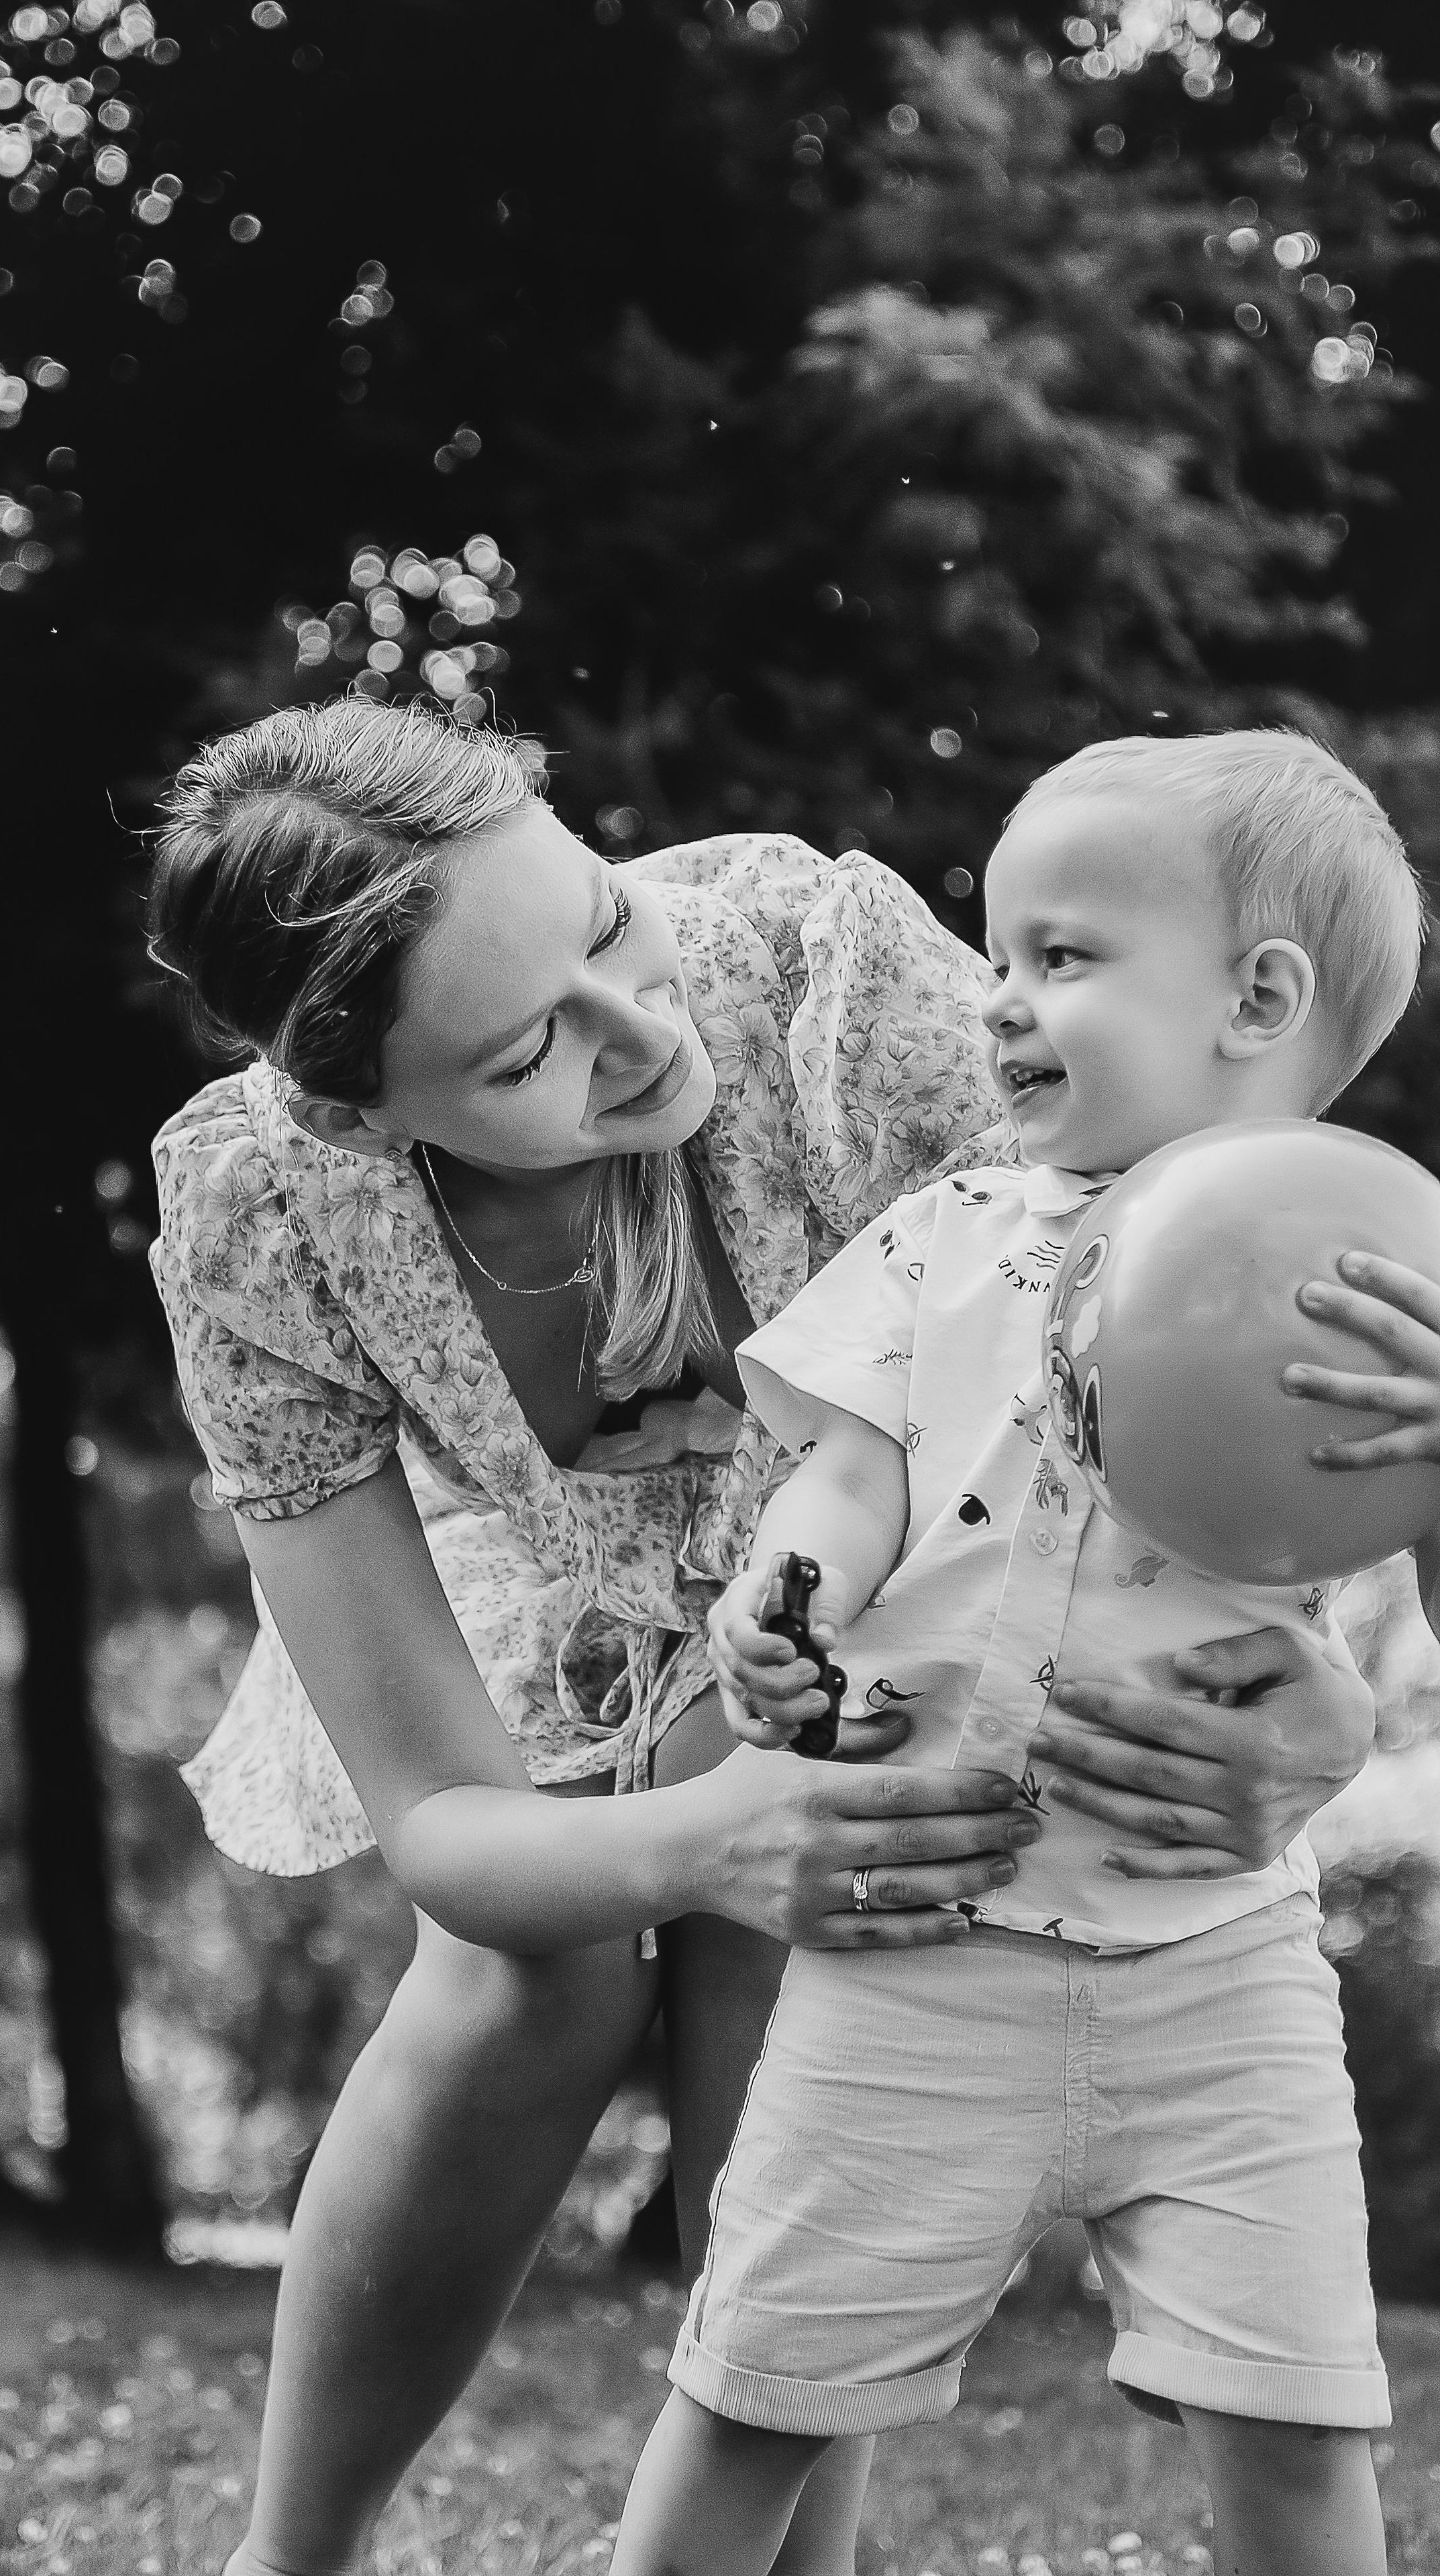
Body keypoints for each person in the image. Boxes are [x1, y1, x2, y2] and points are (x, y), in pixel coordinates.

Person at [145, 697, 1374, 2576]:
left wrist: (1303, 1688)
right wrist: (702, 1842)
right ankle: (286, 2561)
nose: (642, 1033)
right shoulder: (266, 1209)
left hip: (867, 1583)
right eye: (530, 1048)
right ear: (360, 1113)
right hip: (552, 1616)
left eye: (604, 924)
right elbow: (444, 1833)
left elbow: (1170, 1272)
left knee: (801, 1924)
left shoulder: (825, 974)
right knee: (525, 1970)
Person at [611, 730, 1428, 2576]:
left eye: (1060, 958)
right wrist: (783, 1601)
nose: (1000, 1004)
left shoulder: (1378, 1281)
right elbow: (850, 1468)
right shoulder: (946, 1233)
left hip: (1222, 1965)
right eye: (1000, 955)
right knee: (747, 2402)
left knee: (1300, 2425)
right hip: (917, 1949)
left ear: (1259, 999)